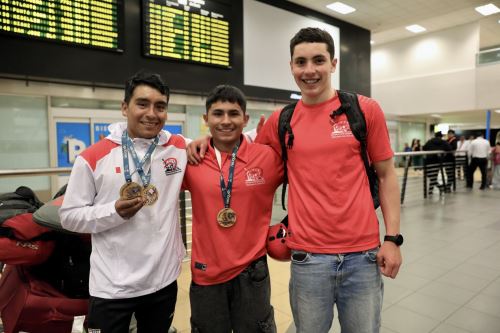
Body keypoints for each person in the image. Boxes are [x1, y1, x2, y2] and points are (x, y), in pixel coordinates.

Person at [188, 27, 402, 333]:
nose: (310, 70)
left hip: (362, 256)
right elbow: (244, 154)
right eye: (301, 62)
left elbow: (386, 174)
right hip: (308, 258)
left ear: (333, 64)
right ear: (291, 66)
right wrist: (205, 140)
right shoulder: (281, 121)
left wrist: (392, 239)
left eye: (318, 60)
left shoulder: (364, 110)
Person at [59, 71, 186, 333]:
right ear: (124, 107)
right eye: (142, 104)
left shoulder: (179, 148)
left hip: (162, 282)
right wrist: (113, 212)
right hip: (112, 288)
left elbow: (222, 140)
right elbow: (69, 216)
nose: (152, 113)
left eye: (160, 107)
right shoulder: (93, 157)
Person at [182, 85, 282, 332]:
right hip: (206, 274)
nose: (225, 121)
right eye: (217, 114)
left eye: (233, 113)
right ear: (206, 119)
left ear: (245, 119)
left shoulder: (267, 157)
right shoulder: (192, 159)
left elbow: (309, 177)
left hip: (252, 271)